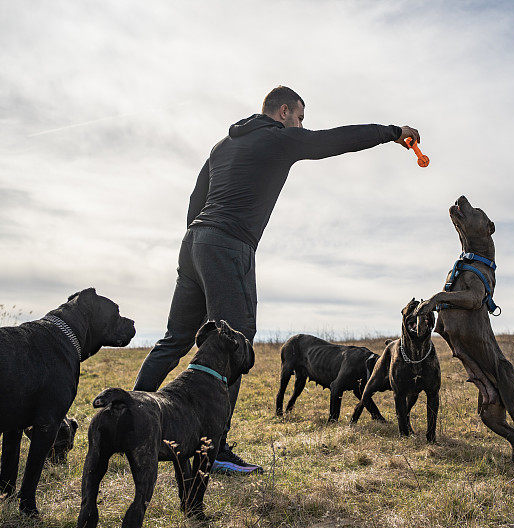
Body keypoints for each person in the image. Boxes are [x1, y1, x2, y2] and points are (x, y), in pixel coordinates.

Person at [133, 86, 420, 474]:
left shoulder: (221, 146)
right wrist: (390, 132)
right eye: (300, 117)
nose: (302, 125)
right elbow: (336, 141)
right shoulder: (278, 138)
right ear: (284, 111)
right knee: (233, 344)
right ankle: (212, 449)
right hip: (229, 245)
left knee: (174, 340)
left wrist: (199, 246)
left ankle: (131, 424)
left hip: (196, 241)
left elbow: (194, 198)